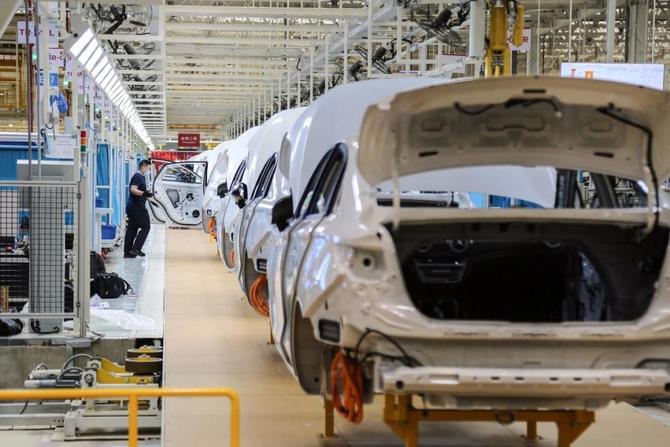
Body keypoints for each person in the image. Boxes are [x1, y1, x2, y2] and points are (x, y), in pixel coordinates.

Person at [124, 160, 153, 258]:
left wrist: (146, 195)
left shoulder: (141, 177)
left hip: (133, 206)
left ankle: (128, 253)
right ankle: (136, 248)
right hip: (137, 207)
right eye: (148, 168)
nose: (148, 170)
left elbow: (140, 191)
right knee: (146, 226)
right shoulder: (138, 176)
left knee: (132, 229)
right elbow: (133, 189)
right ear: (143, 166)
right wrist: (144, 193)